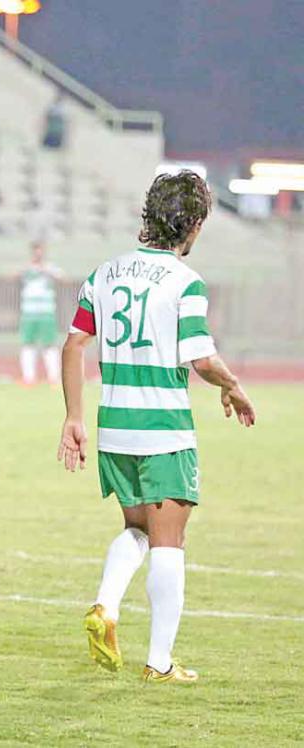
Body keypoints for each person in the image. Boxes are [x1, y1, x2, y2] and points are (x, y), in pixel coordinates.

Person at [59, 171, 256, 684]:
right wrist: (233, 385)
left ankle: (106, 605)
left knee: (139, 530)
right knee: (170, 542)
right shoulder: (184, 282)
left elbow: (74, 344)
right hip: (163, 430)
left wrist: (74, 416)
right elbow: (201, 358)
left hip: (114, 429)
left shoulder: (104, 274)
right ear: (193, 225)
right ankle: (160, 663)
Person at [17, 241, 63, 386]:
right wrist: (26, 269)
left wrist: (46, 270)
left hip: (46, 313)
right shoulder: (27, 268)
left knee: (49, 344)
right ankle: (28, 377)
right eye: (36, 251)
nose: (38, 254)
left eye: (40, 251)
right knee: (28, 344)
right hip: (29, 313)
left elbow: (63, 279)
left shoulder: (50, 268)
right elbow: (11, 276)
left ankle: (54, 377)